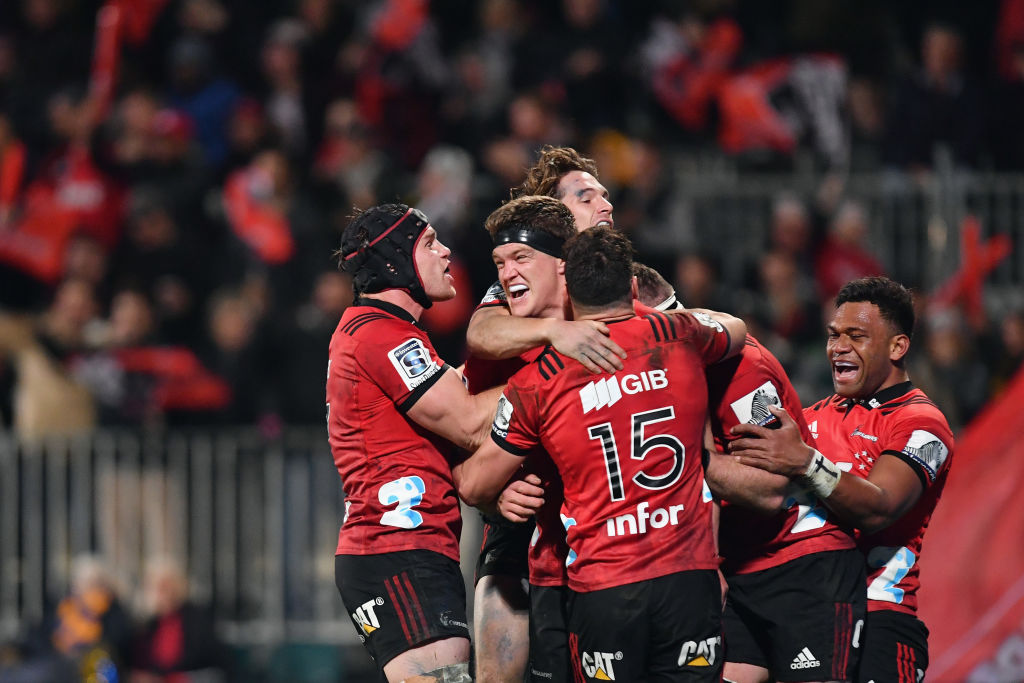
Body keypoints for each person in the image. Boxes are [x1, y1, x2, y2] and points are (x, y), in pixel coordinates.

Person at [456, 226, 746, 681]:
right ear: (632, 287)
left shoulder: (538, 379)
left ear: (569, 287)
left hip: (605, 585)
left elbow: (473, 484)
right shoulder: (678, 333)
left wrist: (493, 492)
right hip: (688, 579)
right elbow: (735, 330)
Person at [631, 260, 868, 683]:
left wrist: (684, 458)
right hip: (740, 569)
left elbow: (771, 488)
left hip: (801, 566)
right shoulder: (658, 369)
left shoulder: (739, 368)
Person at [730, 276, 954, 683]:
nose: (838, 347)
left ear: (897, 346)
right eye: (834, 335)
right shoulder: (810, 418)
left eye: (856, 336)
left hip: (879, 613)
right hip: (795, 604)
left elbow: (879, 507)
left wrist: (804, 462)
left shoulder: (922, 425)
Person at [464, 145, 624, 683]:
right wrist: (495, 486)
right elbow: (481, 335)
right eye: (585, 196)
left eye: (603, 194)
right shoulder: (522, 280)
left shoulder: (622, 278)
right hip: (526, 483)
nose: (604, 203)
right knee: (506, 553)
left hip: (604, 503)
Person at [328, 203, 504, 683]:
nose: (446, 252)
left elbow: (462, 395)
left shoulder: (385, 332)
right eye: (428, 243)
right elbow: (470, 421)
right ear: (393, 263)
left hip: (405, 549)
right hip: (399, 550)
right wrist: (555, 373)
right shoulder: (380, 334)